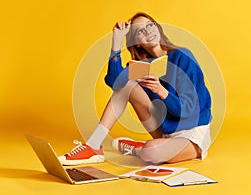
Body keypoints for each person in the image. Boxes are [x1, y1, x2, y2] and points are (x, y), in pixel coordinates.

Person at [58, 12, 212, 166]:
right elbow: (114, 82)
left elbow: (190, 110)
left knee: (150, 152)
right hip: (166, 129)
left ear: (157, 28)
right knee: (126, 85)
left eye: (150, 25)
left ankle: (138, 149)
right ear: (137, 43)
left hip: (193, 130)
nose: (148, 31)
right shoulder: (143, 66)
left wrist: (161, 91)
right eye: (140, 31)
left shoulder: (182, 56)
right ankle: (93, 145)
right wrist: (116, 42)